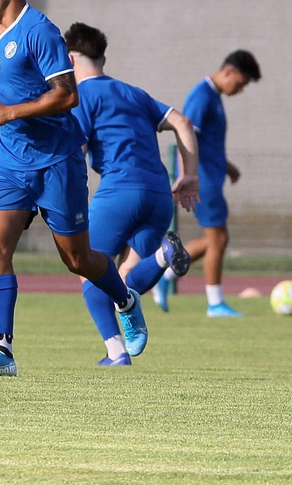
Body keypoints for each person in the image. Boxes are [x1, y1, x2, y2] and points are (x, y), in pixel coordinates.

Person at [0, 0, 146, 376]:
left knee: (76, 260)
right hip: (9, 163)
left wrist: (10, 113)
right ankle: (3, 351)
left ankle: (126, 299)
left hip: (57, 160)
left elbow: (67, 94)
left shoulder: (41, 31)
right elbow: (3, 88)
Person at [64, 22, 199, 365]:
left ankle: (116, 351)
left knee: (89, 268)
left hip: (118, 192)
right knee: (123, 281)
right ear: (103, 57)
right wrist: (190, 175)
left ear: (69, 58)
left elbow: (76, 151)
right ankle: (163, 255)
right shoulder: (134, 93)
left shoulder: (80, 96)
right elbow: (183, 122)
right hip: (158, 193)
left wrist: (63, 195)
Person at [168, 50, 261, 317]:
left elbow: (207, 144)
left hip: (210, 176)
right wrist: (187, 177)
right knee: (218, 238)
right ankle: (214, 302)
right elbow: (187, 136)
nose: (240, 90)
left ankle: (165, 272)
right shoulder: (202, 95)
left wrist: (227, 166)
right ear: (228, 72)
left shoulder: (214, 97)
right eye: (241, 84)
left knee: (215, 239)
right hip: (203, 180)